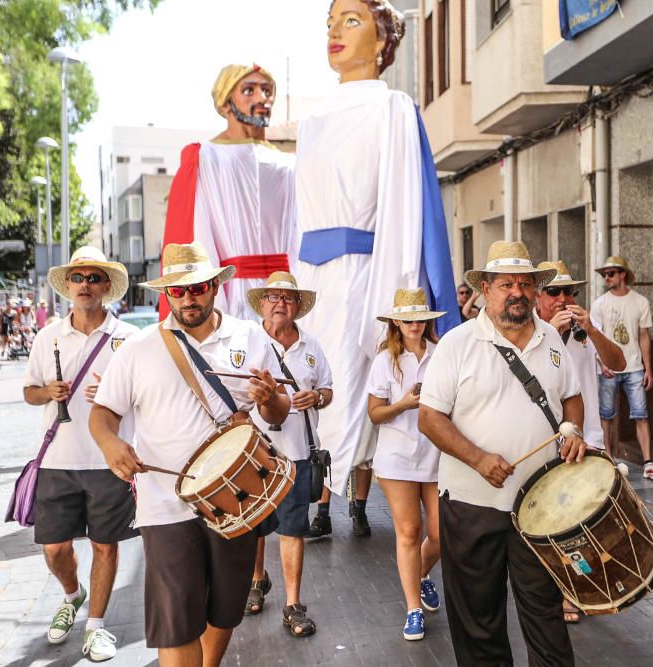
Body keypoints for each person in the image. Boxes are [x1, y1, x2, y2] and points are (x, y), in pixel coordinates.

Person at [296, 0, 460, 535]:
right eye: (329, 23)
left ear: (383, 38)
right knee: (316, 390)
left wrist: (395, 294)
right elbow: (300, 215)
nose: (334, 33)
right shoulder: (313, 121)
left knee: (364, 386)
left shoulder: (393, 108)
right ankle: (318, 503)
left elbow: (403, 209)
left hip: (367, 274)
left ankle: (373, 508)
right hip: (316, 280)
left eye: (351, 20)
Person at [89, 241, 290, 666]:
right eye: (177, 291)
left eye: (197, 287)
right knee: (177, 620)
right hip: (165, 505)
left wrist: (271, 398)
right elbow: (103, 413)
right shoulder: (139, 349)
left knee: (225, 609)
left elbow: (279, 410)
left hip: (237, 501)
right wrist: (111, 444)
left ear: (215, 286)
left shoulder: (250, 337)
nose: (188, 297)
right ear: (166, 294)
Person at [418, 240, 587, 666]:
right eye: (506, 283)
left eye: (526, 284)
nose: (518, 292)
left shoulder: (551, 337)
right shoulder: (457, 344)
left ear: (535, 290)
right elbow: (430, 419)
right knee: (479, 622)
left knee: (546, 616)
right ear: (486, 290)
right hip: (473, 505)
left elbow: (571, 398)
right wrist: (477, 458)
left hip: (540, 507)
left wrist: (573, 430)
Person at [22, 246, 139, 662]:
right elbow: (29, 392)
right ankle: (73, 595)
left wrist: (115, 392)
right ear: (68, 285)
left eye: (93, 278)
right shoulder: (47, 335)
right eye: (78, 277)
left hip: (109, 461)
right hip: (57, 458)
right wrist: (47, 393)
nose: (85, 284)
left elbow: (145, 398)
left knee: (106, 545)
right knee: (54, 548)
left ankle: (96, 626)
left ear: (107, 285)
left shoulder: (129, 338)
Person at [160, 63, 298, 321]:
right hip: (233, 297)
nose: (261, 99)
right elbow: (199, 235)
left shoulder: (289, 164)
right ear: (225, 104)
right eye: (249, 90)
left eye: (267, 91)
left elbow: (299, 234)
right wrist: (214, 309)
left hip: (284, 295)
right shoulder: (207, 158)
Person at [534, 259, 625, 624]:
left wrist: (592, 330)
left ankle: (581, 587)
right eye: (554, 291)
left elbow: (616, 363)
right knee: (558, 522)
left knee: (588, 518)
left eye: (568, 291)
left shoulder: (587, 327)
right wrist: (552, 335)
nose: (562, 298)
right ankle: (563, 593)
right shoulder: (535, 332)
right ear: (539, 298)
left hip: (589, 438)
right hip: (551, 441)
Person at [243, 272, 333, 636]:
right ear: (262, 303)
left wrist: (317, 398)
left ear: (298, 306)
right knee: (254, 526)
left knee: (293, 528)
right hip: (252, 452)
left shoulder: (311, 346)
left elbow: (328, 389)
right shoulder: (245, 341)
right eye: (273, 297)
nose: (280, 303)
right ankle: (256, 579)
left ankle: (293, 604)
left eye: (288, 298)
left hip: (296, 452)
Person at [369, 288, 444, 640]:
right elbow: (374, 414)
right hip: (396, 457)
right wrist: (402, 404)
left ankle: (422, 574)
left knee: (443, 534)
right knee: (409, 532)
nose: (414, 324)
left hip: (437, 453)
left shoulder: (442, 353)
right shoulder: (384, 360)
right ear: (396, 322)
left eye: (420, 319)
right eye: (408, 319)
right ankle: (413, 608)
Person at [593, 256, 653, 480]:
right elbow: (595, 337)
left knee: (641, 414)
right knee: (605, 416)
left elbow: (644, 336)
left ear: (623, 274)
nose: (607, 278)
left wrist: (648, 368)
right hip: (609, 369)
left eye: (611, 273)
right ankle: (608, 460)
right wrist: (602, 363)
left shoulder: (640, 302)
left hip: (634, 367)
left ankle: (648, 462)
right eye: (604, 274)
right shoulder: (599, 304)